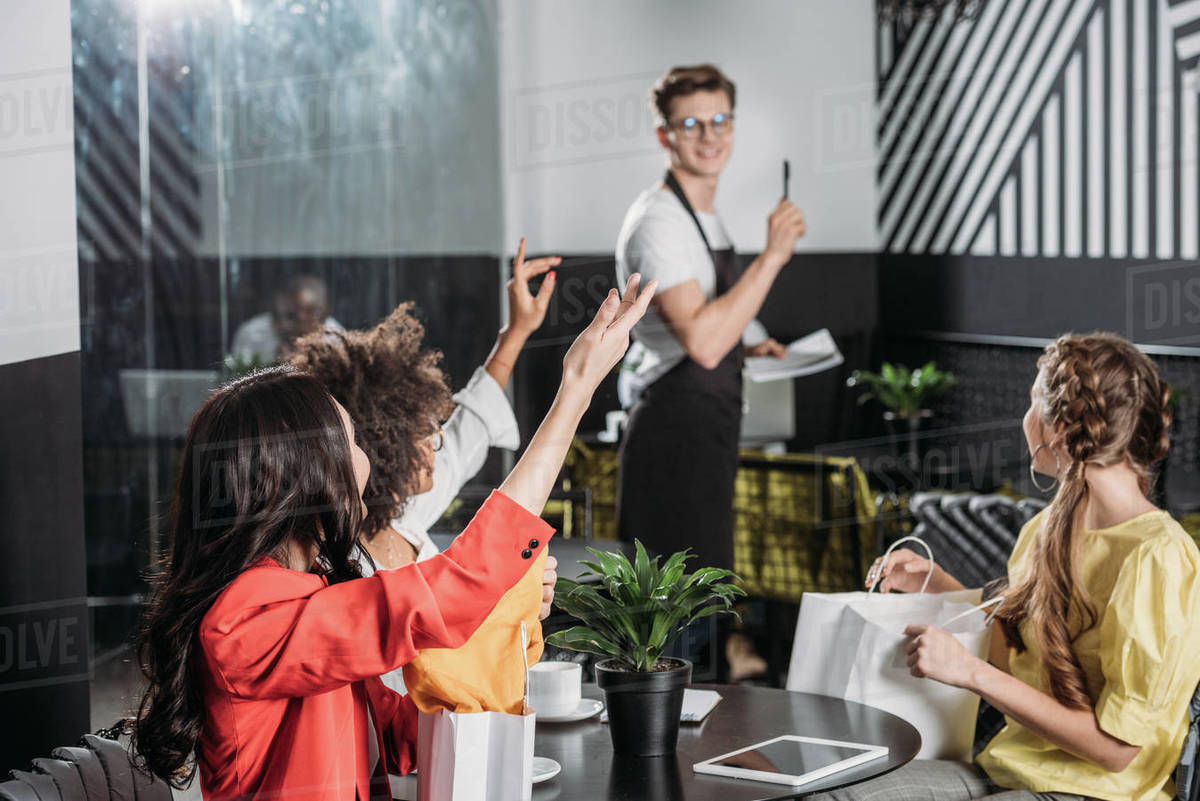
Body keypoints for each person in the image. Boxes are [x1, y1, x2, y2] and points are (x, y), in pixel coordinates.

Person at [132, 274, 656, 800]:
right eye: (352, 440)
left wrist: (504, 613)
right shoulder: (245, 618)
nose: (367, 460)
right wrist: (575, 392)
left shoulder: (313, 596)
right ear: (305, 477)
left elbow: (404, 738)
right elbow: (443, 594)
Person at [815, 333, 1200, 801]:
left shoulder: (1156, 557)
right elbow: (1023, 664)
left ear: (1058, 428)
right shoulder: (1043, 530)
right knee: (833, 791)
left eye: (1033, 401)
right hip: (1010, 771)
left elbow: (1118, 750)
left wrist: (971, 673)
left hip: (1097, 792)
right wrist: (938, 586)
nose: (1025, 418)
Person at [290, 239, 560, 693]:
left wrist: (514, 334)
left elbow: (468, 428)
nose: (439, 442)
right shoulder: (329, 568)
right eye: (423, 434)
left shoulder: (406, 513)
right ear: (379, 451)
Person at [614, 63, 805, 681]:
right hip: (672, 442)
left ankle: (705, 757)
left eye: (720, 119)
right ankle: (672, 765)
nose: (709, 134)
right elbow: (699, 340)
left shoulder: (703, 215)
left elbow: (714, 324)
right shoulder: (658, 222)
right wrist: (774, 256)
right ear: (665, 134)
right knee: (678, 626)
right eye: (691, 123)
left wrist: (752, 346)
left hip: (704, 436)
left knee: (704, 606)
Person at [229, 274, 343, 365]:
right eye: (290, 316)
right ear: (274, 315)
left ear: (323, 317)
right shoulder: (251, 334)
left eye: (309, 316)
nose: (299, 326)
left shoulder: (336, 338)